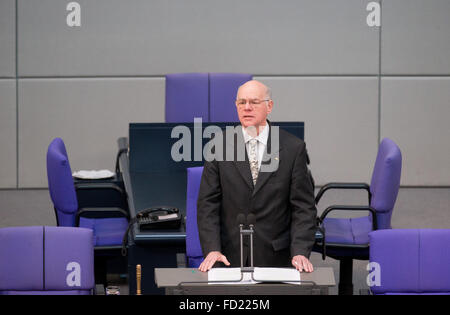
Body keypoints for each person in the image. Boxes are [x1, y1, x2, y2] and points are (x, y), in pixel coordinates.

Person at [197, 80, 317, 273]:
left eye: (254, 102)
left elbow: (303, 207)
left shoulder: (293, 149)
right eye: (241, 102)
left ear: (269, 106)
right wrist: (212, 250)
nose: (247, 108)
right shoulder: (218, 145)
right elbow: (207, 204)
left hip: (277, 257)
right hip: (229, 257)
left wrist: (300, 251)